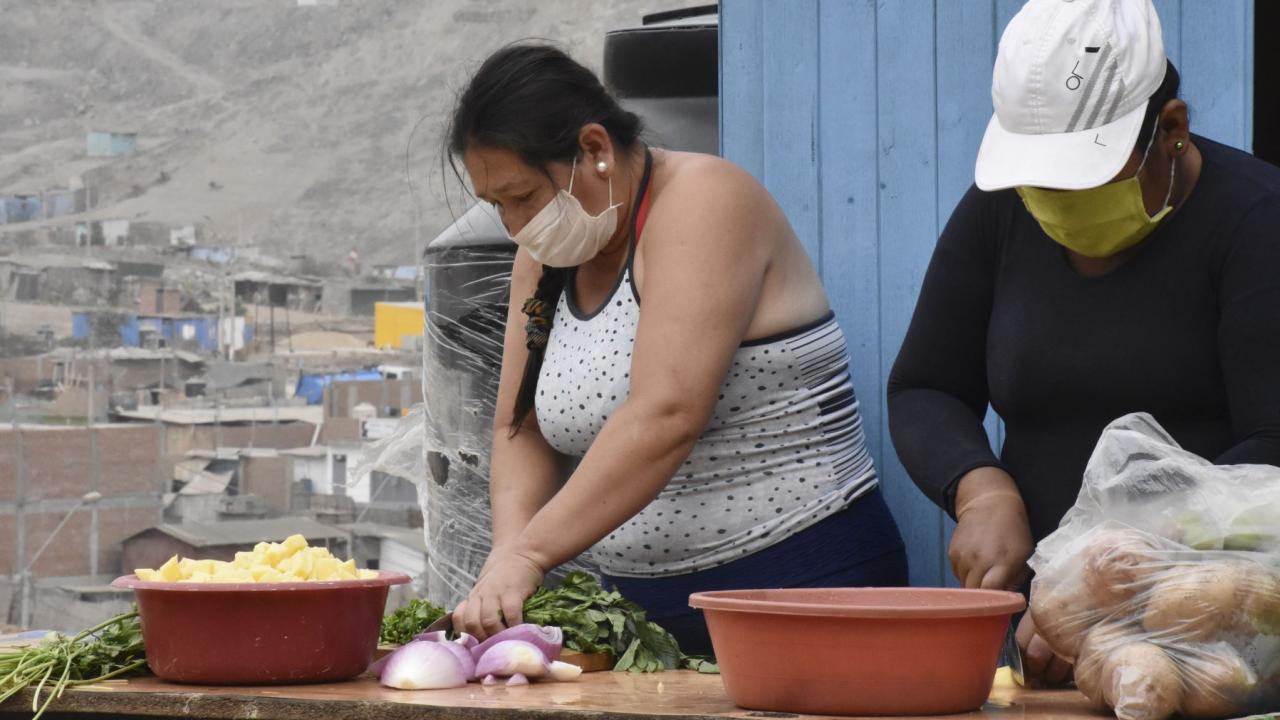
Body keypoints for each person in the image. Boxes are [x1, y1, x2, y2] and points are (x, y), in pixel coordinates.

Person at [447, 44, 907, 654]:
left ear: (594, 149)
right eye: (497, 205)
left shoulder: (704, 200)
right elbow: (520, 425)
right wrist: (506, 552)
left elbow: (666, 413)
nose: (513, 226)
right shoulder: (546, 251)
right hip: (638, 617)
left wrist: (532, 552)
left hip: (797, 589)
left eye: (523, 196)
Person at [887, 0, 1280, 686]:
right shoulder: (1000, 209)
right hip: (1039, 631)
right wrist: (981, 492)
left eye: (1086, 181)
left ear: (1172, 132)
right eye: (1043, 186)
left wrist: (1098, 578)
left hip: (1212, 628)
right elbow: (927, 386)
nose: (1057, 207)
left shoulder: (1256, 221)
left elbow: (1271, 443)